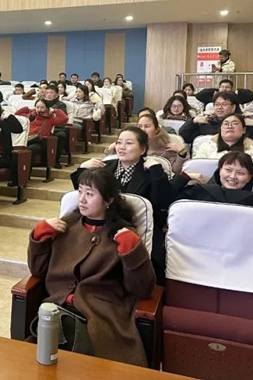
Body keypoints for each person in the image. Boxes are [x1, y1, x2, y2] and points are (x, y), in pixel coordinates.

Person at [28, 168, 155, 366]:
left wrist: (133, 252)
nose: (82, 199)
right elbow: (38, 271)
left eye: (90, 193)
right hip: (57, 307)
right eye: (80, 191)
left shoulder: (123, 235)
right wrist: (39, 237)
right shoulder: (65, 226)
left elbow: (142, 288)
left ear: (108, 200)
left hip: (102, 314)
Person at [171, 151, 253, 307]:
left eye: (241, 173)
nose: (233, 176)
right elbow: (163, 200)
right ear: (219, 171)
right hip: (202, 251)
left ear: (250, 177)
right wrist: (184, 177)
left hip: (245, 254)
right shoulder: (199, 191)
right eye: (228, 170)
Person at [71, 126, 173, 283]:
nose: (122, 147)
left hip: (137, 230)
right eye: (119, 142)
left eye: (129, 143)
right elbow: (85, 195)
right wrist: (82, 169)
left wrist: (155, 170)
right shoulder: (104, 168)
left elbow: (163, 201)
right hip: (102, 228)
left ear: (143, 149)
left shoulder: (152, 172)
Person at [179, 91, 253, 147]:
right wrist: (193, 121)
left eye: (224, 104)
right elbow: (183, 136)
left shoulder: (243, 124)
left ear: (233, 107)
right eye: (217, 104)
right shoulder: (206, 122)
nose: (219, 107)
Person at [193, 114, 253, 179]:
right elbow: (196, 171)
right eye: (226, 124)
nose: (230, 126)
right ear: (220, 129)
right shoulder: (206, 147)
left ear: (243, 130)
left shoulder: (252, 150)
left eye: (235, 124)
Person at [16, 98, 68, 167]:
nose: (39, 109)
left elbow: (64, 118)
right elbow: (16, 114)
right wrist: (27, 109)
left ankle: (27, 171)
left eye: (42, 107)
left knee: (31, 149)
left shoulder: (50, 119)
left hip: (40, 142)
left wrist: (55, 110)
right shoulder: (31, 116)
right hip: (27, 140)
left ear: (47, 108)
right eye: (37, 107)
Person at [42, 85, 69, 168]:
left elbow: (63, 119)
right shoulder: (42, 104)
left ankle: (56, 159)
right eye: (47, 93)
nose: (49, 95)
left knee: (61, 135)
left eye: (51, 93)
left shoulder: (61, 105)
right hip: (43, 128)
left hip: (57, 128)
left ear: (57, 95)